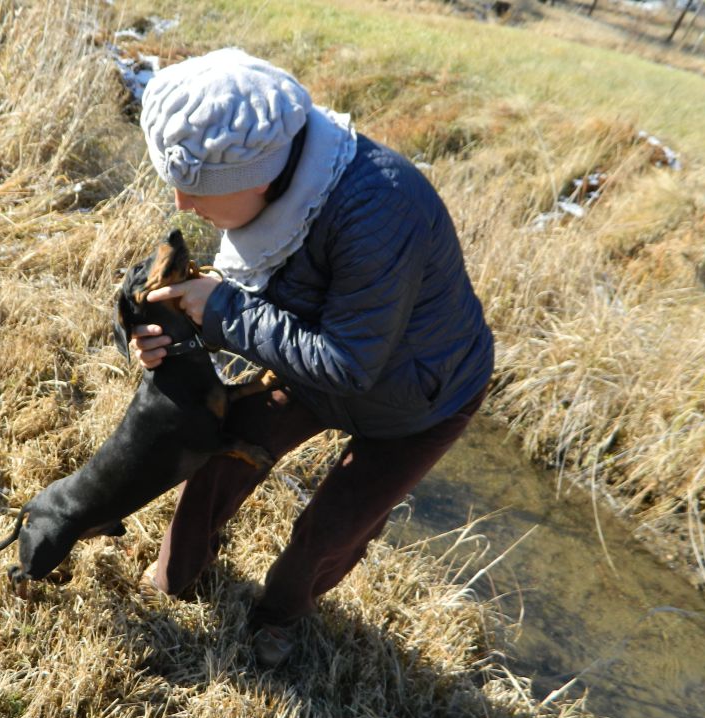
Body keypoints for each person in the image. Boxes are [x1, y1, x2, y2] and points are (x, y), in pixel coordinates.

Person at [131, 48, 494, 667]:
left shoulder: (381, 210)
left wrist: (222, 311)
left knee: (333, 529)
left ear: (261, 179)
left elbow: (348, 363)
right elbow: (251, 299)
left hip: (423, 396)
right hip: (318, 356)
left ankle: (279, 615)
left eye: (197, 190)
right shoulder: (274, 173)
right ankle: (176, 573)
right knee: (223, 451)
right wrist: (169, 330)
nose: (182, 204)